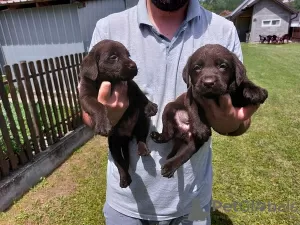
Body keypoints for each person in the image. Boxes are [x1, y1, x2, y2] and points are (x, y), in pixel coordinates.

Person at [80, 0, 259, 224]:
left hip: (192, 199)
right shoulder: (108, 28)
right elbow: (88, 109)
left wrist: (231, 124)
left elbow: (240, 117)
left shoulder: (223, 30)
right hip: (128, 205)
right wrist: (105, 117)